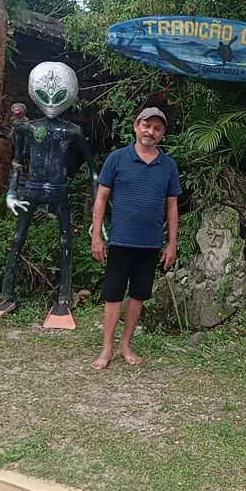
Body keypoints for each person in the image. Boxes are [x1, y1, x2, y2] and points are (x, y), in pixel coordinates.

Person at [91, 107, 181, 371]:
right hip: (120, 240)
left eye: (156, 128)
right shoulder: (117, 159)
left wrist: (172, 244)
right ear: (136, 126)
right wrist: (97, 236)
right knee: (113, 295)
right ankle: (107, 348)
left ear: (162, 134)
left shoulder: (168, 166)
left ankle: (126, 345)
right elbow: (101, 197)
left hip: (150, 243)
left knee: (139, 295)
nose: (150, 132)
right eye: (146, 125)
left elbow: (172, 207)